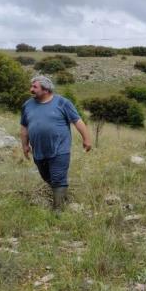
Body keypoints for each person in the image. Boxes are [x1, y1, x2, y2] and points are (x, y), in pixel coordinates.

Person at [20, 75, 91, 211]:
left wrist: (86, 139)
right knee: (46, 176)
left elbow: (77, 121)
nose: (31, 89)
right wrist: (24, 145)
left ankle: (58, 210)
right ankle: (63, 196)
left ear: (46, 89)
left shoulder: (62, 103)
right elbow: (24, 127)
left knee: (58, 177)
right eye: (31, 86)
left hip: (60, 148)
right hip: (39, 150)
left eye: (35, 87)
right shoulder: (27, 105)